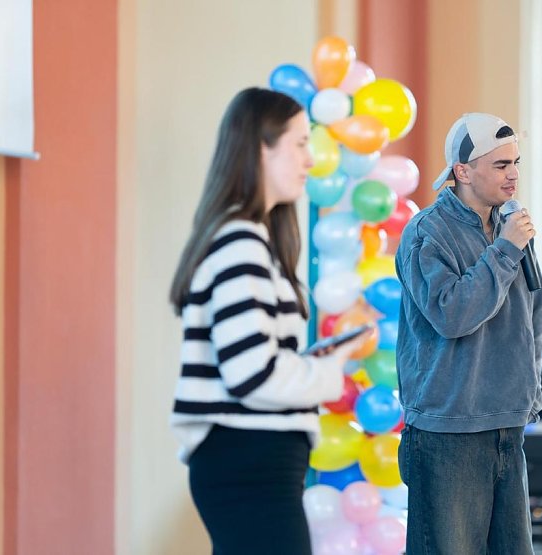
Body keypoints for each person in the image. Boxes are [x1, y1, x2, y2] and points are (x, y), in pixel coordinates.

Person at [168, 87, 366, 554]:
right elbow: (252, 374)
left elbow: (251, 359)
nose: (310, 159)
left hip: (250, 465)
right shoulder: (241, 243)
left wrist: (313, 362)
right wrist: (327, 370)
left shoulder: (245, 239)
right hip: (250, 465)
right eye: (300, 143)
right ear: (262, 147)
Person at [395, 112, 542, 554]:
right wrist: (505, 251)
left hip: (507, 424)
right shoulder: (427, 233)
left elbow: (531, 315)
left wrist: (528, 397)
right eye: (500, 165)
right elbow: (453, 315)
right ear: (462, 171)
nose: (513, 174)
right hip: (448, 434)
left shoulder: (511, 227)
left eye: (516, 163)